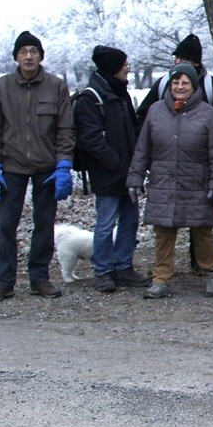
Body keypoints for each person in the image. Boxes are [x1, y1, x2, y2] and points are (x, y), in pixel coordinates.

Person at [0, 31, 75, 302]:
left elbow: (65, 129)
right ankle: (4, 280)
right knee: (5, 225)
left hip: (47, 167)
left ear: (41, 56)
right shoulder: (1, 87)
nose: (29, 56)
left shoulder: (56, 86)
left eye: (33, 51)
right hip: (11, 166)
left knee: (44, 223)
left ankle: (39, 278)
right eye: (23, 51)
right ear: (16, 57)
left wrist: (63, 165)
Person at [127, 64, 213, 299]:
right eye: (175, 82)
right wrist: (135, 176)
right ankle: (161, 278)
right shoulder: (155, 111)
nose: (179, 87)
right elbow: (143, 148)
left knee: (202, 230)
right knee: (163, 232)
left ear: (193, 87)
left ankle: (210, 272)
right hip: (163, 181)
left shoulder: (208, 113)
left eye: (185, 83)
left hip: (196, 182)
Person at [72, 45, 148, 292]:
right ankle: (103, 270)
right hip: (108, 173)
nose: (128, 67)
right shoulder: (90, 98)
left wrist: (138, 161)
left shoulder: (120, 92)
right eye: (125, 63)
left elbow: (133, 129)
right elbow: (91, 139)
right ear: (113, 67)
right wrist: (117, 164)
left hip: (129, 172)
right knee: (105, 223)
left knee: (130, 221)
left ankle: (123, 267)